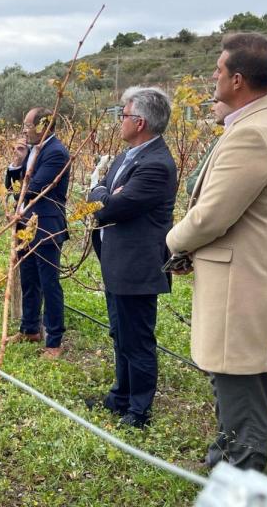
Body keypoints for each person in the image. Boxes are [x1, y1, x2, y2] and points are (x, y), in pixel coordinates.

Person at [166, 33, 267, 471]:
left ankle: (241, 466)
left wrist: (172, 241)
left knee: (238, 374)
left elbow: (212, 216)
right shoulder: (261, 122)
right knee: (233, 372)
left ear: (237, 79)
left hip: (244, 280)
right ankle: (227, 454)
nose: (213, 76)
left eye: (218, 70)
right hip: (246, 273)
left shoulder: (254, 134)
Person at [86, 87, 177, 429]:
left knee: (137, 340)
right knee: (119, 334)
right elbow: (107, 199)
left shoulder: (156, 164)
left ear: (139, 122)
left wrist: (102, 195)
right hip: (117, 262)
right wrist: (106, 195)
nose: (119, 122)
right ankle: (120, 396)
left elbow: (110, 208)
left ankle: (138, 411)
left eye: (122, 116)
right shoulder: (130, 156)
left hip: (137, 268)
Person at [5, 108, 71, 358]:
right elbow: (11, 188)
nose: (24, 130)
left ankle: (54, 341)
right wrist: (17, 163)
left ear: (43, 126)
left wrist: (20, 188)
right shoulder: (32, 150)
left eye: (27, 125)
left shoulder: (56, 153)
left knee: (49, 283)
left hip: (45, 226)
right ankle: (30, 329)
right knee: (29, 279)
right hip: (25, 224)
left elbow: (33, 189)